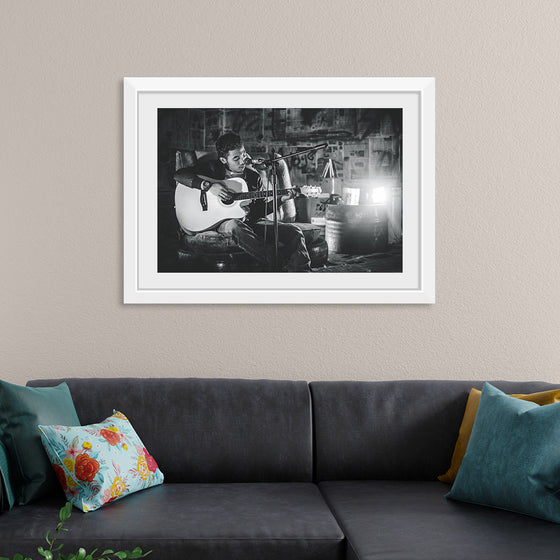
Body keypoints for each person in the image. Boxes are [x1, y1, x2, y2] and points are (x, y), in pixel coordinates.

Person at [173, 132, 311, 272]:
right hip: (221, 222)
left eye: (243, 154)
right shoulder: (211, 169)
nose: (242, 161)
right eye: (236, 159)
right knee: (235, 225)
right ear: (223, 160)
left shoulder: (253, 177)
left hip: (249, 221)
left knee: (294, 232)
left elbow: (261, 209)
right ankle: (278, 267)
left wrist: (281, 199)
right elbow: (179, 175)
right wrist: (208, 186)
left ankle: (301, 272)